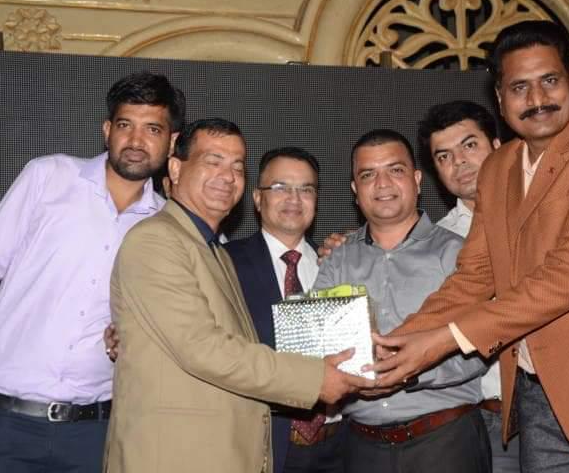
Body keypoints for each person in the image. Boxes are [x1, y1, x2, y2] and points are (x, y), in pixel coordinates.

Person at [368, 21, 569, 472]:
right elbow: (475, 276)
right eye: (519, 87)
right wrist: (397, 344)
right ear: (500, 98)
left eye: (549, 80)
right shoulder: (498, 168)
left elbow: (565, 278)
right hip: (535, 396)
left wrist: (442, 341)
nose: (537, 99)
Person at [104, 119, 374, 473]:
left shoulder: (214, 252)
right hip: (176, 453)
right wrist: (315, 379)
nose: (227, 176)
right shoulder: (156, 240)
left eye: (236, 166)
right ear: (175, 168)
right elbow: (203, 347)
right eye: (213, 161)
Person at [0, 72, 185, 472]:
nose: (135, 140)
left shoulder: (167, 225)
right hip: (1, 423)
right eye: (125, 125)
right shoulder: (48, 177)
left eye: (152, 129)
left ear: (172, 142)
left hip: (95, 435)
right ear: (107, 130)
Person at [315, 129, 490, 473]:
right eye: (368, 175)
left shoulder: (459, 253)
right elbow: (319, 347)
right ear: (355, 190)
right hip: (361, 446)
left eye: (395, 170)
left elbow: (481, 343)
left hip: (444, 441)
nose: (382, 184)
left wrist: (408, 371)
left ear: (417, 179)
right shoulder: (336, 260)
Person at [224, 147, 346, 473]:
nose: (294, 199)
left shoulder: (337, 264)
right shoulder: (224, 263)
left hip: (339, 446)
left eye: (306, 189)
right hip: (263, 444)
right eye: (280, 187)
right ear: (257, 198)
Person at [419, 100, 520, 473]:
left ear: (497, 145)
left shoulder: (546, 216)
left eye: (469, 145)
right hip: (487, 419)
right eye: (443, 156)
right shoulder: (432, 245)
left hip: (566, 409)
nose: (458, 161)